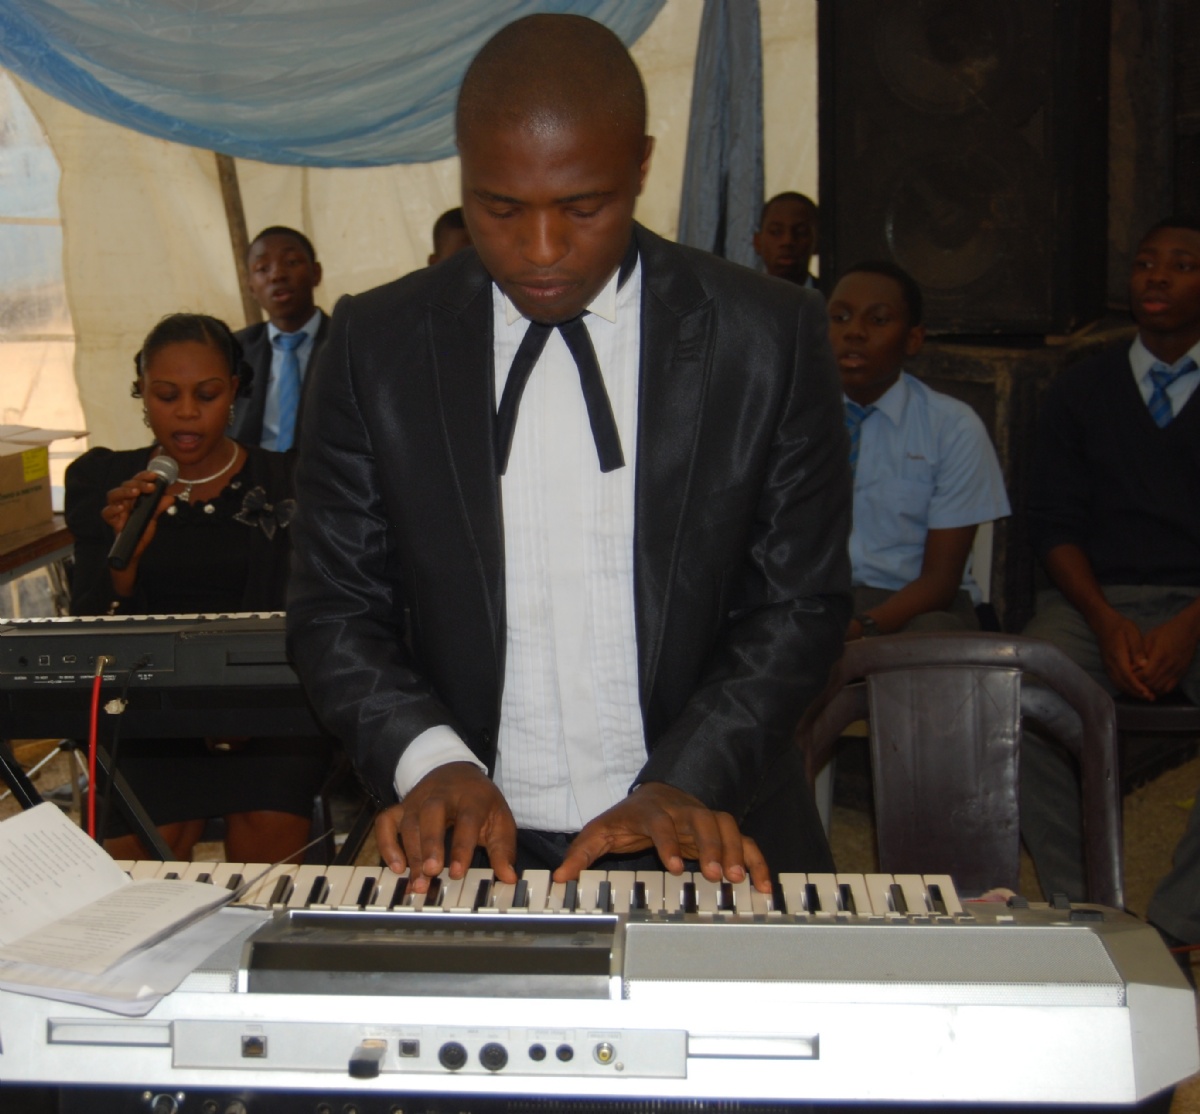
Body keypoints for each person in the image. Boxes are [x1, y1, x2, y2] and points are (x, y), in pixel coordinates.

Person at [287, 13, 851, 897]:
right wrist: (430, 760)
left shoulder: (764, 337)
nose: (541, 250)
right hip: (464, 848)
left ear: (641, 166)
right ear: (463, 173)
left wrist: (687, 779)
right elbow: (336, 608)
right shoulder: (377, 345)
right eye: (500, 209)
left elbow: (798, 602)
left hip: (713, 826)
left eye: (584, 209)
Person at [65, 313, 332, 863]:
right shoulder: (104, 483)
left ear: (233, 391)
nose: (187, 412)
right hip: (145, 706)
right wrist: (125, 563)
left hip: (270, 704)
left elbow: (319, 607)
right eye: (166, 395)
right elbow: (89, 625)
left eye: (206, 394)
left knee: (266, 831)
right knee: (150, 844)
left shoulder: (288, 480)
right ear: (142, 394)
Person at [1021, 217, 1200, 954]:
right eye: (1146, 263)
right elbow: (1051, 524)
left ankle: (1180, 923)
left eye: (1182, 264)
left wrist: (1188, 626)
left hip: (1196, 607)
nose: (1157, 276)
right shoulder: (1080, 389)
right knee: (1020, 696)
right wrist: (1103, 620)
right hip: (1091, 601)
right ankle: (1086, 909)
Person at [828, 261, 1010, 639]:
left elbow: (941, 581)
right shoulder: (790, 419)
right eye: (840, 317)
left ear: (913, 339)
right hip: (816, 600)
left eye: (878, 320)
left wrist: (862, 627)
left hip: (915, 604)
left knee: (931, 641)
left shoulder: (952, 428)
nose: (854, 332)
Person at [231, 226, 328, 451]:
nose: (277, 275)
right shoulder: (234, 351)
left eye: (291, 262)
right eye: (262, 268)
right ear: (250, 287)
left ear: (316, 273)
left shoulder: (347, 342)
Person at [753, 192, 818, 288]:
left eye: (800, 232)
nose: (787, 241)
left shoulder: (834, 295)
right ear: (757, 242)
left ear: (817, 242)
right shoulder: (741, 294)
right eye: (776, 232)